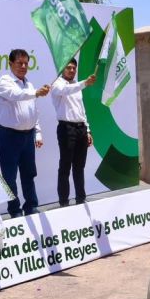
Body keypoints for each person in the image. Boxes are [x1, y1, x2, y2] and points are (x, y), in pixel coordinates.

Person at [0, 49, 49, 217]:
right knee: (9, 176)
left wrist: (38, 133)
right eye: (19, 63)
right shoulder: (5, 81)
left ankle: (31, 205)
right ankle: (14, 209)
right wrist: (35, 93)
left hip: (28, 135)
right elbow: (15, 95)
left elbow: (34, 111)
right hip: (9, 136)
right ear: (11, 63)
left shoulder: (29, 84)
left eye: (26, 63)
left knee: (29, 173)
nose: (23, 66)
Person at [50, 58, 96, 206]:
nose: (71, 70)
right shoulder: (57, 84)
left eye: (73, 68)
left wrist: (87, 130)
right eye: (68, 67)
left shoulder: (76, 86)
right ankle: (64, 201)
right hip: (66, 128)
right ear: (63, 68)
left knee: (79, 166)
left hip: (81, 128)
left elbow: (81, 110)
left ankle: (80, 199)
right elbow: (65, 90)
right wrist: (84, 83)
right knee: (65, 166)